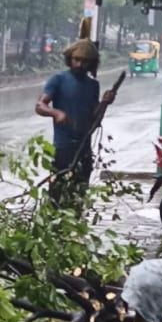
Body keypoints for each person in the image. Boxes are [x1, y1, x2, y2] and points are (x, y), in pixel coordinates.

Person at [35, 39, 116, 202]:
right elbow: (40, 105)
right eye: (76, 60)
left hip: (84, 149)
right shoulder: (58, 79)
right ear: (70, 60)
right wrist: (56, 113)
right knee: (57, 195)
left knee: (78, 196)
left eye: (84, 62)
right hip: (63, 149)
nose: (79, 64)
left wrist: (105, 103)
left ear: (91, 64)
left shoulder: (93, 85)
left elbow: (94, 120)